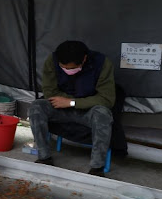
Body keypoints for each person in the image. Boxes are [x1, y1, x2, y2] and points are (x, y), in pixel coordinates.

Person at [29, 40, 115, 177]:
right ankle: (44, 158)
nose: (68, 71)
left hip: (88, 110)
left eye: (72, 68)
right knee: (37, 107)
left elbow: (106, 99)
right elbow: (50, 91)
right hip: (59, 107)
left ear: (84, 59)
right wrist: (64, 102)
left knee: (103, 114)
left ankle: (97, 168)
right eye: (64, 68)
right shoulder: (52, 60)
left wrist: (72, 102)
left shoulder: (102, 63)